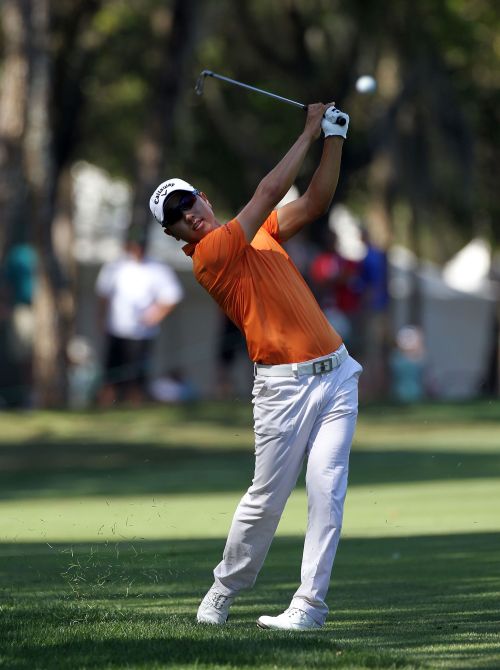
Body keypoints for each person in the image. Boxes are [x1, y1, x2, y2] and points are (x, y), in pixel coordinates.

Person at [149, 103, 362, 631]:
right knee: (266, 498)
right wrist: (309, 129)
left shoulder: (260, 233)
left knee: (327, 492)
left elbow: (313, 200)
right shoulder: (210, 255)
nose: (188, 216)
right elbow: (269, 190)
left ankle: (309, 608)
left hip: (336, 375)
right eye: (177, 218)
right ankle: (222, 591)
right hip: (283, 390)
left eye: (188, 203)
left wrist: (333, 138)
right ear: (179, 236)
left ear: (204, 196)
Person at [95, 228, 184, 406]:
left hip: (142, 333)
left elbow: (172, 296)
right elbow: (103, 296)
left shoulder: (157, 269)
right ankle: (107, 405)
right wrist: (102, 320)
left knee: (137, 375)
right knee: (111, 373)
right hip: (117, 329)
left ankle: (133, 403)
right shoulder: (114, 267)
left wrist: (155, 315)